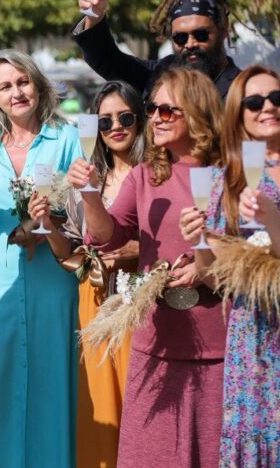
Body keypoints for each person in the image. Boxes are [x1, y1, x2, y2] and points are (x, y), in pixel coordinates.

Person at [70, 67, 223, 466]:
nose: (154, 117)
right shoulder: (144, 176)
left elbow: (255, 252)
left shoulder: (232, 176)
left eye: (167, 111)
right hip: (156, 343)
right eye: (152, 109)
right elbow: (108, 236)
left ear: (198, 112)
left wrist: (208, 266)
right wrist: (88, 195)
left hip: (220, 346)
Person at [0, 49, 82, 468]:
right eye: (5, 86)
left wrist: (50, 217)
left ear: (38, 83)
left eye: (23, 82)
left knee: (52, 386)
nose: (17, 92)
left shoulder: (66, 138)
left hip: (54, 281)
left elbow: (80, 207)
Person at [178, 65, 280, 465]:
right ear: (238, 113)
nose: (267, 107)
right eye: (254, 102)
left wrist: (272, 220)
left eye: (276, 98)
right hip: (253, 333)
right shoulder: (227, 182)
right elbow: (211, 275)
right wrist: (199, 239)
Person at [49, 81, 147, 468]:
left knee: (142, 403)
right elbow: (67, 251)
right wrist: (44, 222)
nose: (116, 127)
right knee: (102, 407)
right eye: (105, 120)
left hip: (144, 301)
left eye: (125, 117)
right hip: (95, 300)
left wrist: (142, 249)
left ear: (141, 120)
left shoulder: (157, 175)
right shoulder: (85, 180)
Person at [74, 0, 241, 99]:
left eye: (201, 34)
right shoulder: (159, 74)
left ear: (223, 29)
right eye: (180, 38)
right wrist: (94, 16)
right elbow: (105, 58)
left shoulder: (244, 90)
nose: (190, 44)